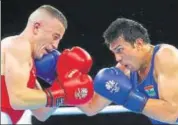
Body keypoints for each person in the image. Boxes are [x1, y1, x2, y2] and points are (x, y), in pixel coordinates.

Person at [1, 5, 94, 124]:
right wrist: (60, 93)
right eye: (55, 37)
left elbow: (41, 113)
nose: (55, 46)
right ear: (36, 28)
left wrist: (61, 84)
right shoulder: (18, 45)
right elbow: (18, 99)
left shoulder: (28, 62)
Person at [78, 18, 178, 125]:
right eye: (114, 52)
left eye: (120, 50)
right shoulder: (125, 69)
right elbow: (91, 107)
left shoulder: (166, 56)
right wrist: (67, 86)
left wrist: (128, 97)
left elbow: (172, 113)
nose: (117, 58)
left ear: (139, 44)